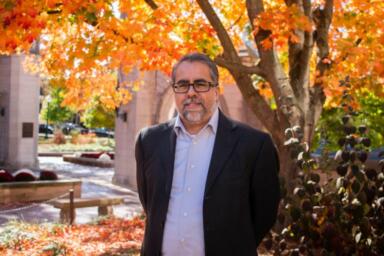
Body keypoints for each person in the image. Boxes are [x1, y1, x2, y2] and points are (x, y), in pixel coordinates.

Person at [135, 53, 280, 256]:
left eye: (201, 84)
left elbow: (264, 214)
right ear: (175, 90)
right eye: (183, 85)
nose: (191, 92)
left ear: (216, 91)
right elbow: (150, 204)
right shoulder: (148, 141)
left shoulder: (254, 145)